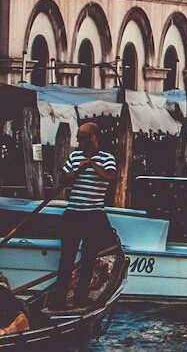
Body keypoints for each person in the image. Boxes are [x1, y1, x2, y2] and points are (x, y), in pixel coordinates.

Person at [56, 121, 117, 305]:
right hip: (73, 213)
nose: (79, 143)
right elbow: (63, 179)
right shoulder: (75, 157)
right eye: (78, 139)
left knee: (88, 258)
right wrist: (77, 170)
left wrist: (91, 164)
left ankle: (81, 298)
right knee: (66, 258)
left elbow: (109, 176)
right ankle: (59, 300)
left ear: (93, 137)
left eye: (82, 139)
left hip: (93, 215)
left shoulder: (107, 158)